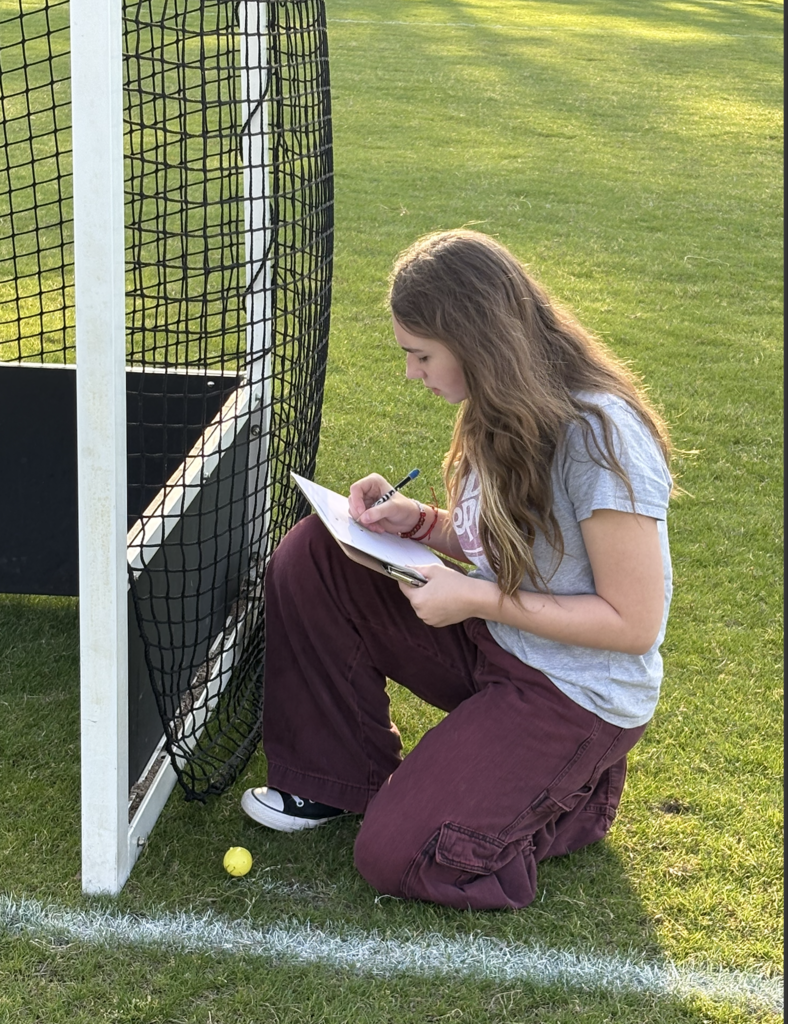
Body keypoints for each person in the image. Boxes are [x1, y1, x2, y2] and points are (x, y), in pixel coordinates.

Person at [241, 229, 674, 911]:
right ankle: (333, 781)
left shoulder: (600, 435)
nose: (412, 373)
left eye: (421, 355)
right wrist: (416, 522)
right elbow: (514, 547)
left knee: (396, 854)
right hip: (496, 642)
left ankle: (575, 799)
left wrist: (477, 600)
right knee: (318, 553)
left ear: (479, 342)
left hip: (574, 692)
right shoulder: (502, 404)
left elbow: (634, 623)